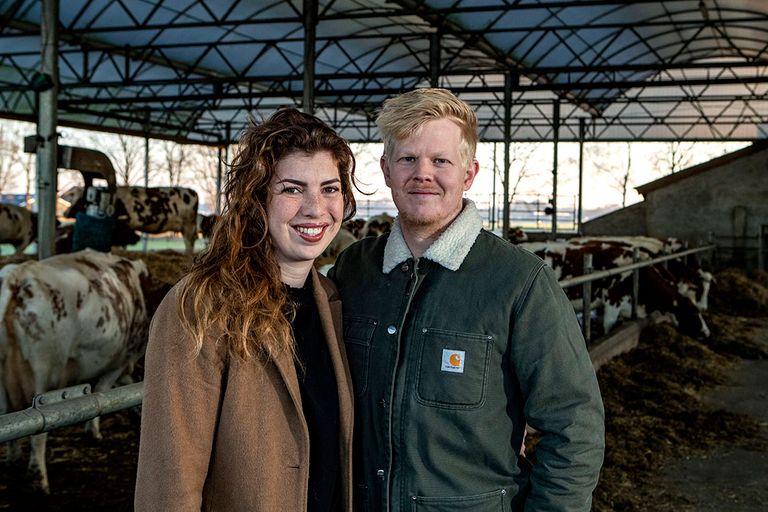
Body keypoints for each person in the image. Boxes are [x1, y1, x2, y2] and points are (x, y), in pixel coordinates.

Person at [328, 88, 605, 511]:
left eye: (440, 161)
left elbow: (574, 427)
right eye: (407, 159)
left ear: (469, 173)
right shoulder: (356, 269)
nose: (423, 174)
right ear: (386, 170)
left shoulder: (520, 281)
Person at [135, 108, 358, 512]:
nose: (315, 208)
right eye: (292, 189)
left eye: (330, 188)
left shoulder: (332, 302)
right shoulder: (201, 307)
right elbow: (169, 485)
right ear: (256, 198)